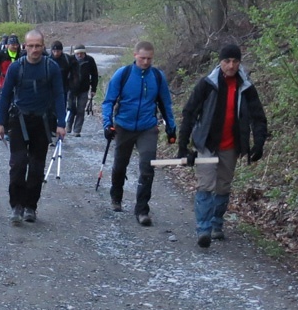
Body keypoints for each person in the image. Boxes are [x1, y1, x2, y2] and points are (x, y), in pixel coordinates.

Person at [178, 44, 268, 248]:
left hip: (231, 144)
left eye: (235, 61)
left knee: (223, 187)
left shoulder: (246, 87)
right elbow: (189, 113)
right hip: (207, 142)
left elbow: (258, 117)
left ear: (240, 63)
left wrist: (259, 143)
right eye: (227, 61)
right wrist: (183, 146)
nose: (231, 65)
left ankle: (217, 223)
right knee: (206, 185)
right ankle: (203, 229)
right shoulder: (207, 84)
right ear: (220, 62)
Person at [0, 30, 67, 225]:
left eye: (38, 46)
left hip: (42, 123)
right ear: (24, 47)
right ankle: (16, 205)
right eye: (31, 46)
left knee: (36, 167)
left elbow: (60, 95)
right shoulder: (16, 68)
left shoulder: (51, 68)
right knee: (18, 164)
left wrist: (61, 123)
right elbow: (5, 96)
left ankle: (30, 207)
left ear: (44, 47)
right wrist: (0, 123)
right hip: (19, 121)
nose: (34, 49)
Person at [101, 41, 176, 226]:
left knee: (147, 167)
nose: (145, 62)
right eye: (142, 58)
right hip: (124, 126)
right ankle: (116, 196)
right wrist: (107, 124)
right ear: (135, 55)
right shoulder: (123, 74)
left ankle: (142, 210)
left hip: (147, 127)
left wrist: (171, 128)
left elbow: (165, 104)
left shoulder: (157, 77)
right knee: (120, 165)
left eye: (149, 59)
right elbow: (108, 101)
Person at [66, 44, 98, 137]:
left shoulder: (89, 60)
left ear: (85, 53)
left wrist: (93, 89)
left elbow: (94, 75)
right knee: (70, 108)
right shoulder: (70, 60)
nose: (80, 55)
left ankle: (77, 130)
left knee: (81, 110)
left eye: (81, 53)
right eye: (78, 53)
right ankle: (68, 126)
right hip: (71, 88)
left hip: (84, 89)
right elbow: (65, 73)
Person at [49, 41, 79, 138]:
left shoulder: (67, 60)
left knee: (61, 108)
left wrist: (73, 87)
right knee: (50, 109)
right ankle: (51, 128)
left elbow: (74, 74)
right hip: (50, 89)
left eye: (58, 51)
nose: (56, 53)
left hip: (63, 88)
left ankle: (60, 126)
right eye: (54, 51)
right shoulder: (47, 60)